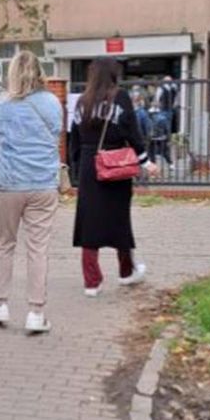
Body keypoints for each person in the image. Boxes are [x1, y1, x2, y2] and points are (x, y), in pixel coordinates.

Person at [0, 51, 64, 334]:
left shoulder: (2, 104)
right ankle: (36, 311)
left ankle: (1, 305)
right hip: (43, 183)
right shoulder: (53, 103)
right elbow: (56, 133)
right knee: (38, 248)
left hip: (7, 183)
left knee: (3, 244)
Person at [70, 57, 158, 297]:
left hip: (90, 166)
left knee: (88, 223)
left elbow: (74, 139)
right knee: (119, 220)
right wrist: (145, 161)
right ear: (112, 74)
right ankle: (126, 272)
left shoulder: (81, 102)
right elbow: (132, 132)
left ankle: (92, 282)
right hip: (115, 166)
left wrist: (77, 168)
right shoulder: (119, 97)